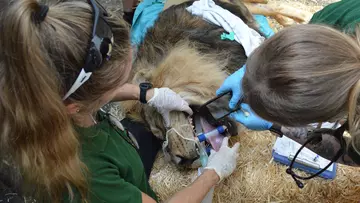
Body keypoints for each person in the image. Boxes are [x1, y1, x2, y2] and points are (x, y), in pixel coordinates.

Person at [0, 0, 240, 202]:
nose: (124, 83)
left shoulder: (51, 100)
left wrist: (146, 94)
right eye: (116, 83)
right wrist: (212, 174)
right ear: (74, 105)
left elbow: (94, 93)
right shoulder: (88, 176)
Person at [218, 0, 360, 166]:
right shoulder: (337, 16)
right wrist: (252, 73)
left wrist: (278, 127)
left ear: (329, 117)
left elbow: (351, 155)